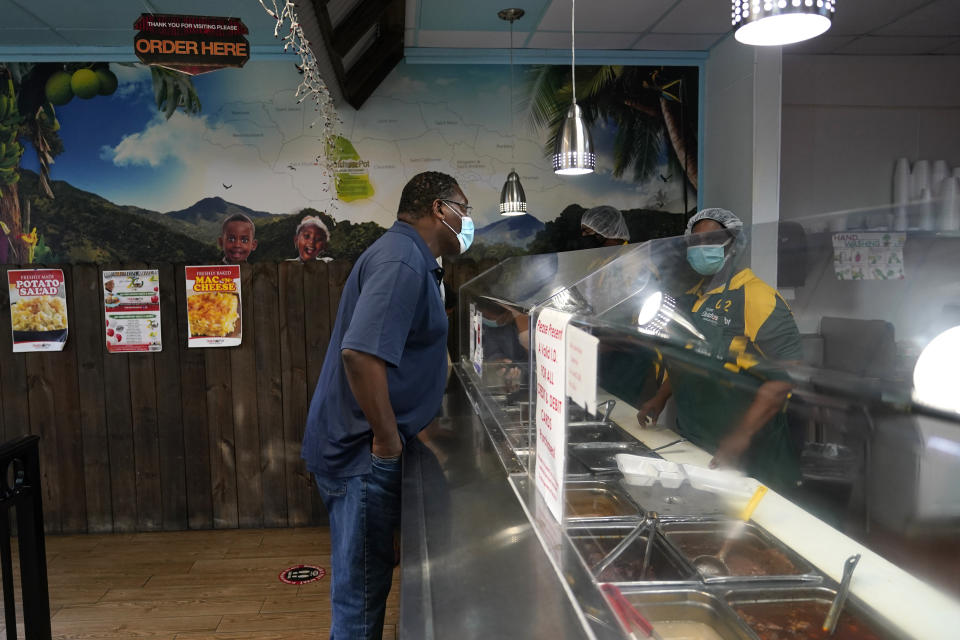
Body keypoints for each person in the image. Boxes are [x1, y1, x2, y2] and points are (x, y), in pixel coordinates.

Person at [301, 171, 473, 639]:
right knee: (359, 599)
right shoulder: (402, 261)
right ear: (440, 209)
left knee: (372, 575)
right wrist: (388, 440)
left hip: (368, 445)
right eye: (465, 209)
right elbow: (359, 354)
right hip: (362, 453)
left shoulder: (411, 257)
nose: (467, 220)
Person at [636, 208, 803, 493]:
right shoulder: (694, 297)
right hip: (697, 438)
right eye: (695, 242)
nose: (701, 249)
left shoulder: (757, 297)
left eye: (710, 240)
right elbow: (690, 359)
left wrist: (741, 436)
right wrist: (660, 398)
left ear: (734, 244)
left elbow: (785, 377)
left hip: (752, 454)